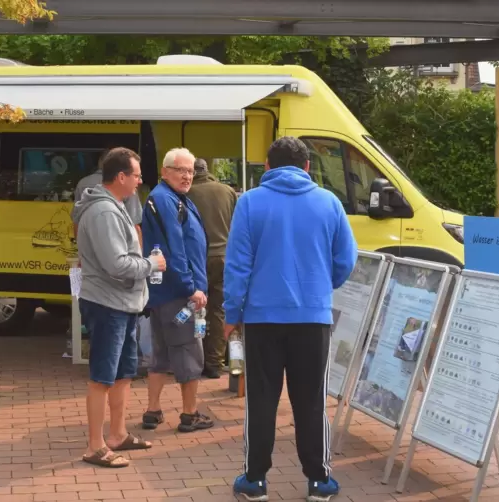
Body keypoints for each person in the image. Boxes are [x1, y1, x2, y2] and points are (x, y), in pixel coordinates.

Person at [224, 136, 357, 501]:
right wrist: (319, 287)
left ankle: (255, 481)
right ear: (307, 167)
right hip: (313, 318)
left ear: (267, 166)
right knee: (311, 400)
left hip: (262, 319)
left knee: (262, 400)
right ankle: (319, 481)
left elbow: (237, 265)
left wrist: (232, 313)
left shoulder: (249, 203)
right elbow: (346, 259)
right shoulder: (329, 202)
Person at [72, 147, 167, 468]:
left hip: (123, 304)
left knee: (124, 372)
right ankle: (95, 446)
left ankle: (117, 434)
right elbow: (116, 264)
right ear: (121, 176)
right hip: (107, 304)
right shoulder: (105, 213)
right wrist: (151, 264)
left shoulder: (116, 207)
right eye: (137, 175)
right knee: (102, 375)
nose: (141, 181)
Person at [140, 147, 213, 433]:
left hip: (163, 293)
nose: (186, 176)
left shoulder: (171, 198)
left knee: (161, 353)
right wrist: (191, 287)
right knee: (189, 351)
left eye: (190, 171)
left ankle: (153, 411)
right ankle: (189, 414)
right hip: (179, 294)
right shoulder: (166, 200)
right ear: (164, 171)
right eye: (180, 170)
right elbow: (175, 249)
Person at [186, 158, 238, 378]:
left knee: (193, 309)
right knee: (217, 311)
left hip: (196, 260)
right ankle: (215, 363)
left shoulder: (186, 194)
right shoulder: (227, 192)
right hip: (224, 258)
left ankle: (192, 360)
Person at [75, 149, 143, 245]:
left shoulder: (82, 183)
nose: (139, 181)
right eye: (136, 176)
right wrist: (141, 258)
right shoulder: (127, 187)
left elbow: (77, 222)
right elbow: (135, 225)